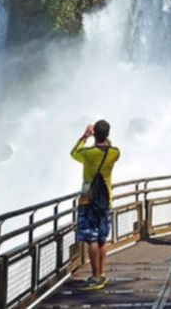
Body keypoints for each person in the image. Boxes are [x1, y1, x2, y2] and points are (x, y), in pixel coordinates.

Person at [71, 120, 121, 291]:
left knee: (91, 238)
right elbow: (110, 146)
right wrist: (102, 138)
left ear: (95, 134)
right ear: (107, 135)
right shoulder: (114, 152)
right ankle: (101, 272)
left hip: (89, 200)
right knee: (101, 238)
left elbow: (73, 153)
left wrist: (85, 137)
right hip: (106, 199)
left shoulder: (88, 153)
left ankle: (95, 276)